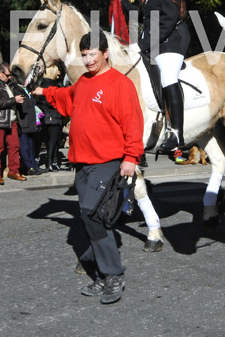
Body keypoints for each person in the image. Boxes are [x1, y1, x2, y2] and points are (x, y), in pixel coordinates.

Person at [33, 31, 144, 305]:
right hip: (81, 162)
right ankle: (101, 272)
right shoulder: (83, 82)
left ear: (105, 53)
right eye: (84, 55)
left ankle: (112, 274)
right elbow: (66, 96)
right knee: (92, 217)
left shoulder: (120, 84)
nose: (88, 59)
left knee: (92, 214)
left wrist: (131, 157)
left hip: (107, 162)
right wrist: (43, 92)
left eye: (92, 53)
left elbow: (133, 123)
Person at [116, 0, 190, 162]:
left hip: (171, 42)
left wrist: (143, 45)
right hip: (153, 43)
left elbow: (166, 23)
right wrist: (121, 0)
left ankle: (177, 135)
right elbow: (140, 15)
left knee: (168, 78)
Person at [0, 62, 27, 184]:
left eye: (10, 75)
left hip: (11, 119)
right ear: (0, 73)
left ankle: (14, 170)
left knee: (14, 146)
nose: (9, 77)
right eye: (8, 75)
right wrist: (15, 99)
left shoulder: (8, 84)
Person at [35, 66, 66, 172]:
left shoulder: (49, 84)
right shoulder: (49, 85)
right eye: (57, 70)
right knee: (53, 140)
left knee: (56, 139)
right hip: (51, 115)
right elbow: (48, 101)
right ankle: (50, 163)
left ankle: (54, 162)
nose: (59, 72)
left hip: (53, 115)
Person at [15, 81, 42, 175]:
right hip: (23, 122)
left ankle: (34, 165)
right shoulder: (16, 90)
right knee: (24, 147)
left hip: (31, 122)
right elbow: (23, 106)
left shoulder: (28, 90)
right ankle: (28, 167)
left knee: (31, 146)